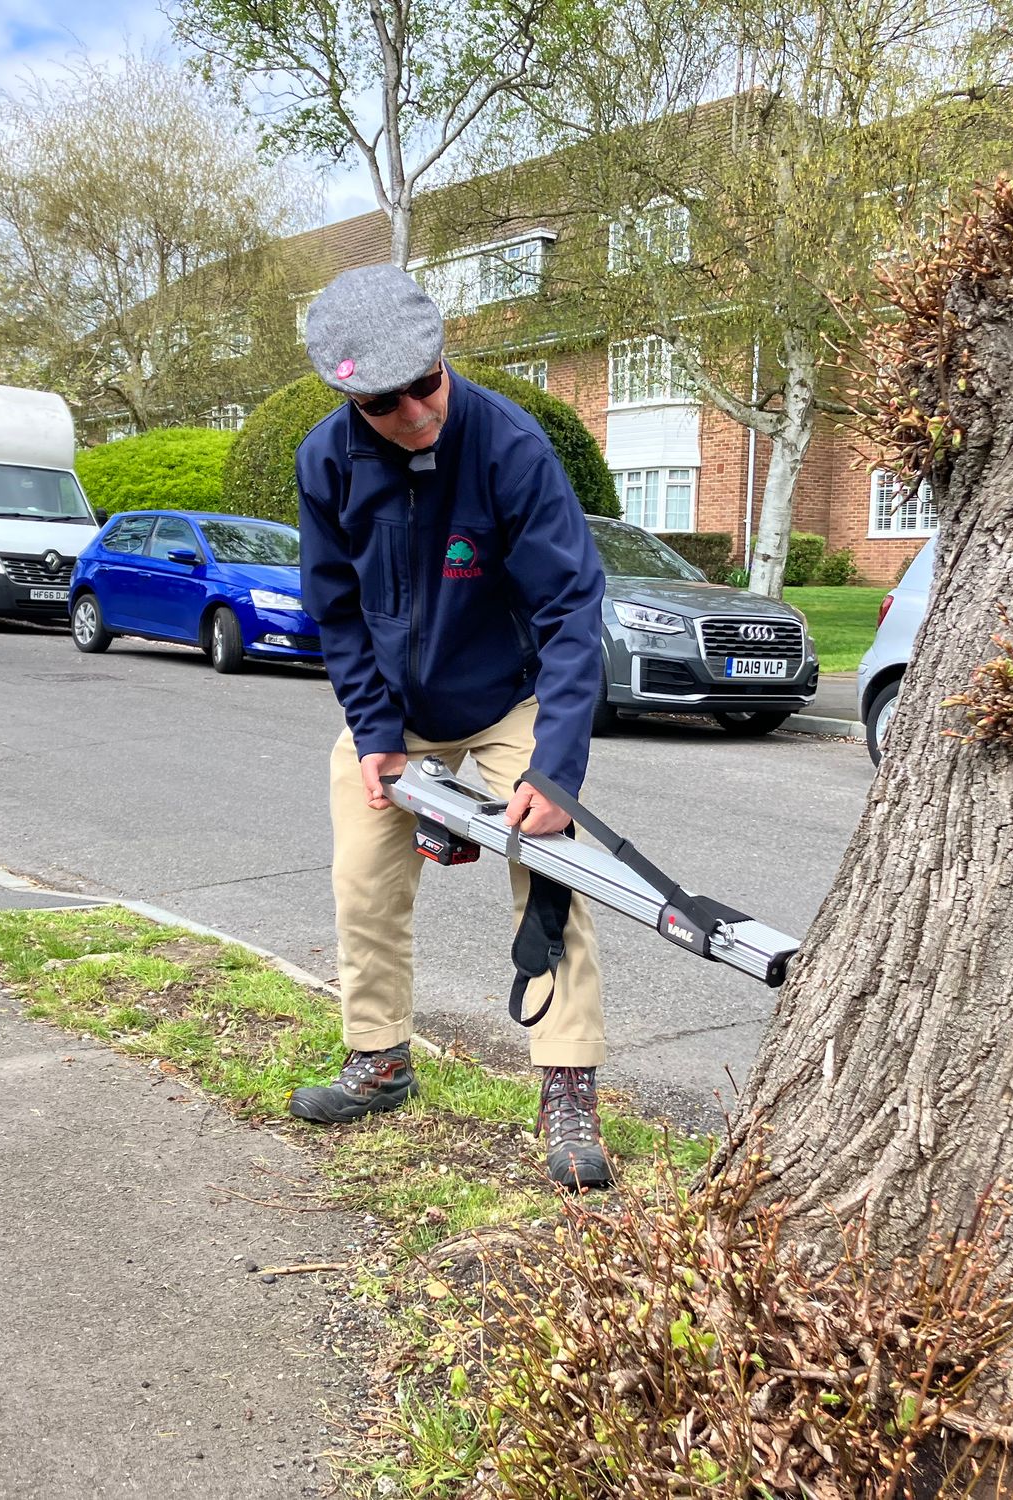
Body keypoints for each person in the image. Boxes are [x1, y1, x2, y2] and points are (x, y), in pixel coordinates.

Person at [287, 264, 614, 1191]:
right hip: (395, 708)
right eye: (386, 404)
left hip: (508, 695)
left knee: (555, 871)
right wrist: (376, 729)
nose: (416, 414)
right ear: (351, 397)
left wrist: (553, 772)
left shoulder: (510, 446)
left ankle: (567, 1086)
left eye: (425, 386)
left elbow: (568, 612)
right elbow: (337, 612)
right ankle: (379, 1060)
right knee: (363, 880)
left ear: (443, 357)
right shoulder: (325, 462)